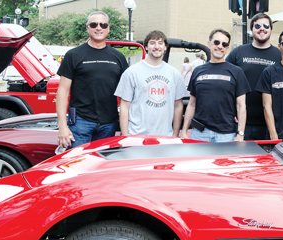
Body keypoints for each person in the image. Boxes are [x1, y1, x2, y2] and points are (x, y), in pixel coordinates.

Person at [56, 11, 129, 149]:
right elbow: (63, 91)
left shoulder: (118, 57)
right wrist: (62, 126)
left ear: (108, 28)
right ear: (87, 28)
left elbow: (127, 92)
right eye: (94, 24)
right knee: (77, 165)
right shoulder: (73, 55)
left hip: (109, 123)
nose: (98, 28)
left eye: (103, 24)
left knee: (100, 167)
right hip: (80, 123)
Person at [180, 29, 250, 142]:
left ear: (227, 48)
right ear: (209, 44)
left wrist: (240, 134)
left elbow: (241, 106)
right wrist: (184, 131)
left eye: (224, 44)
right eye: (216, 42)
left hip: (226, 135)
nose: (220, 46)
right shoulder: (198, 71)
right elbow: (192, 105)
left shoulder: (237, 72)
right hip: (199, 133)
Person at [114, 30, 186, 137]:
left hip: (165, 136)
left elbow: (178, 106)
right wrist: (125, 136)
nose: (157, 47)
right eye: (152, 43)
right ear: (146, 47)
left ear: (165, 47)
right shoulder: (131, 72)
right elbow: (124, 106)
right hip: (136, 136)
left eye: (160, 43)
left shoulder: (174, 74)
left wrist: (175, 134)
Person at [226, 13, 282, 140]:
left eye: (265, 25)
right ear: (252, 30)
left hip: (271, 123)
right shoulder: (238, 52)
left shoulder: (279, 56)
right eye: (257, 26)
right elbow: (226, 82)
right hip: (240, 122)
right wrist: (230, 110)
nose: (262, 28)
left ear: (270, 29)